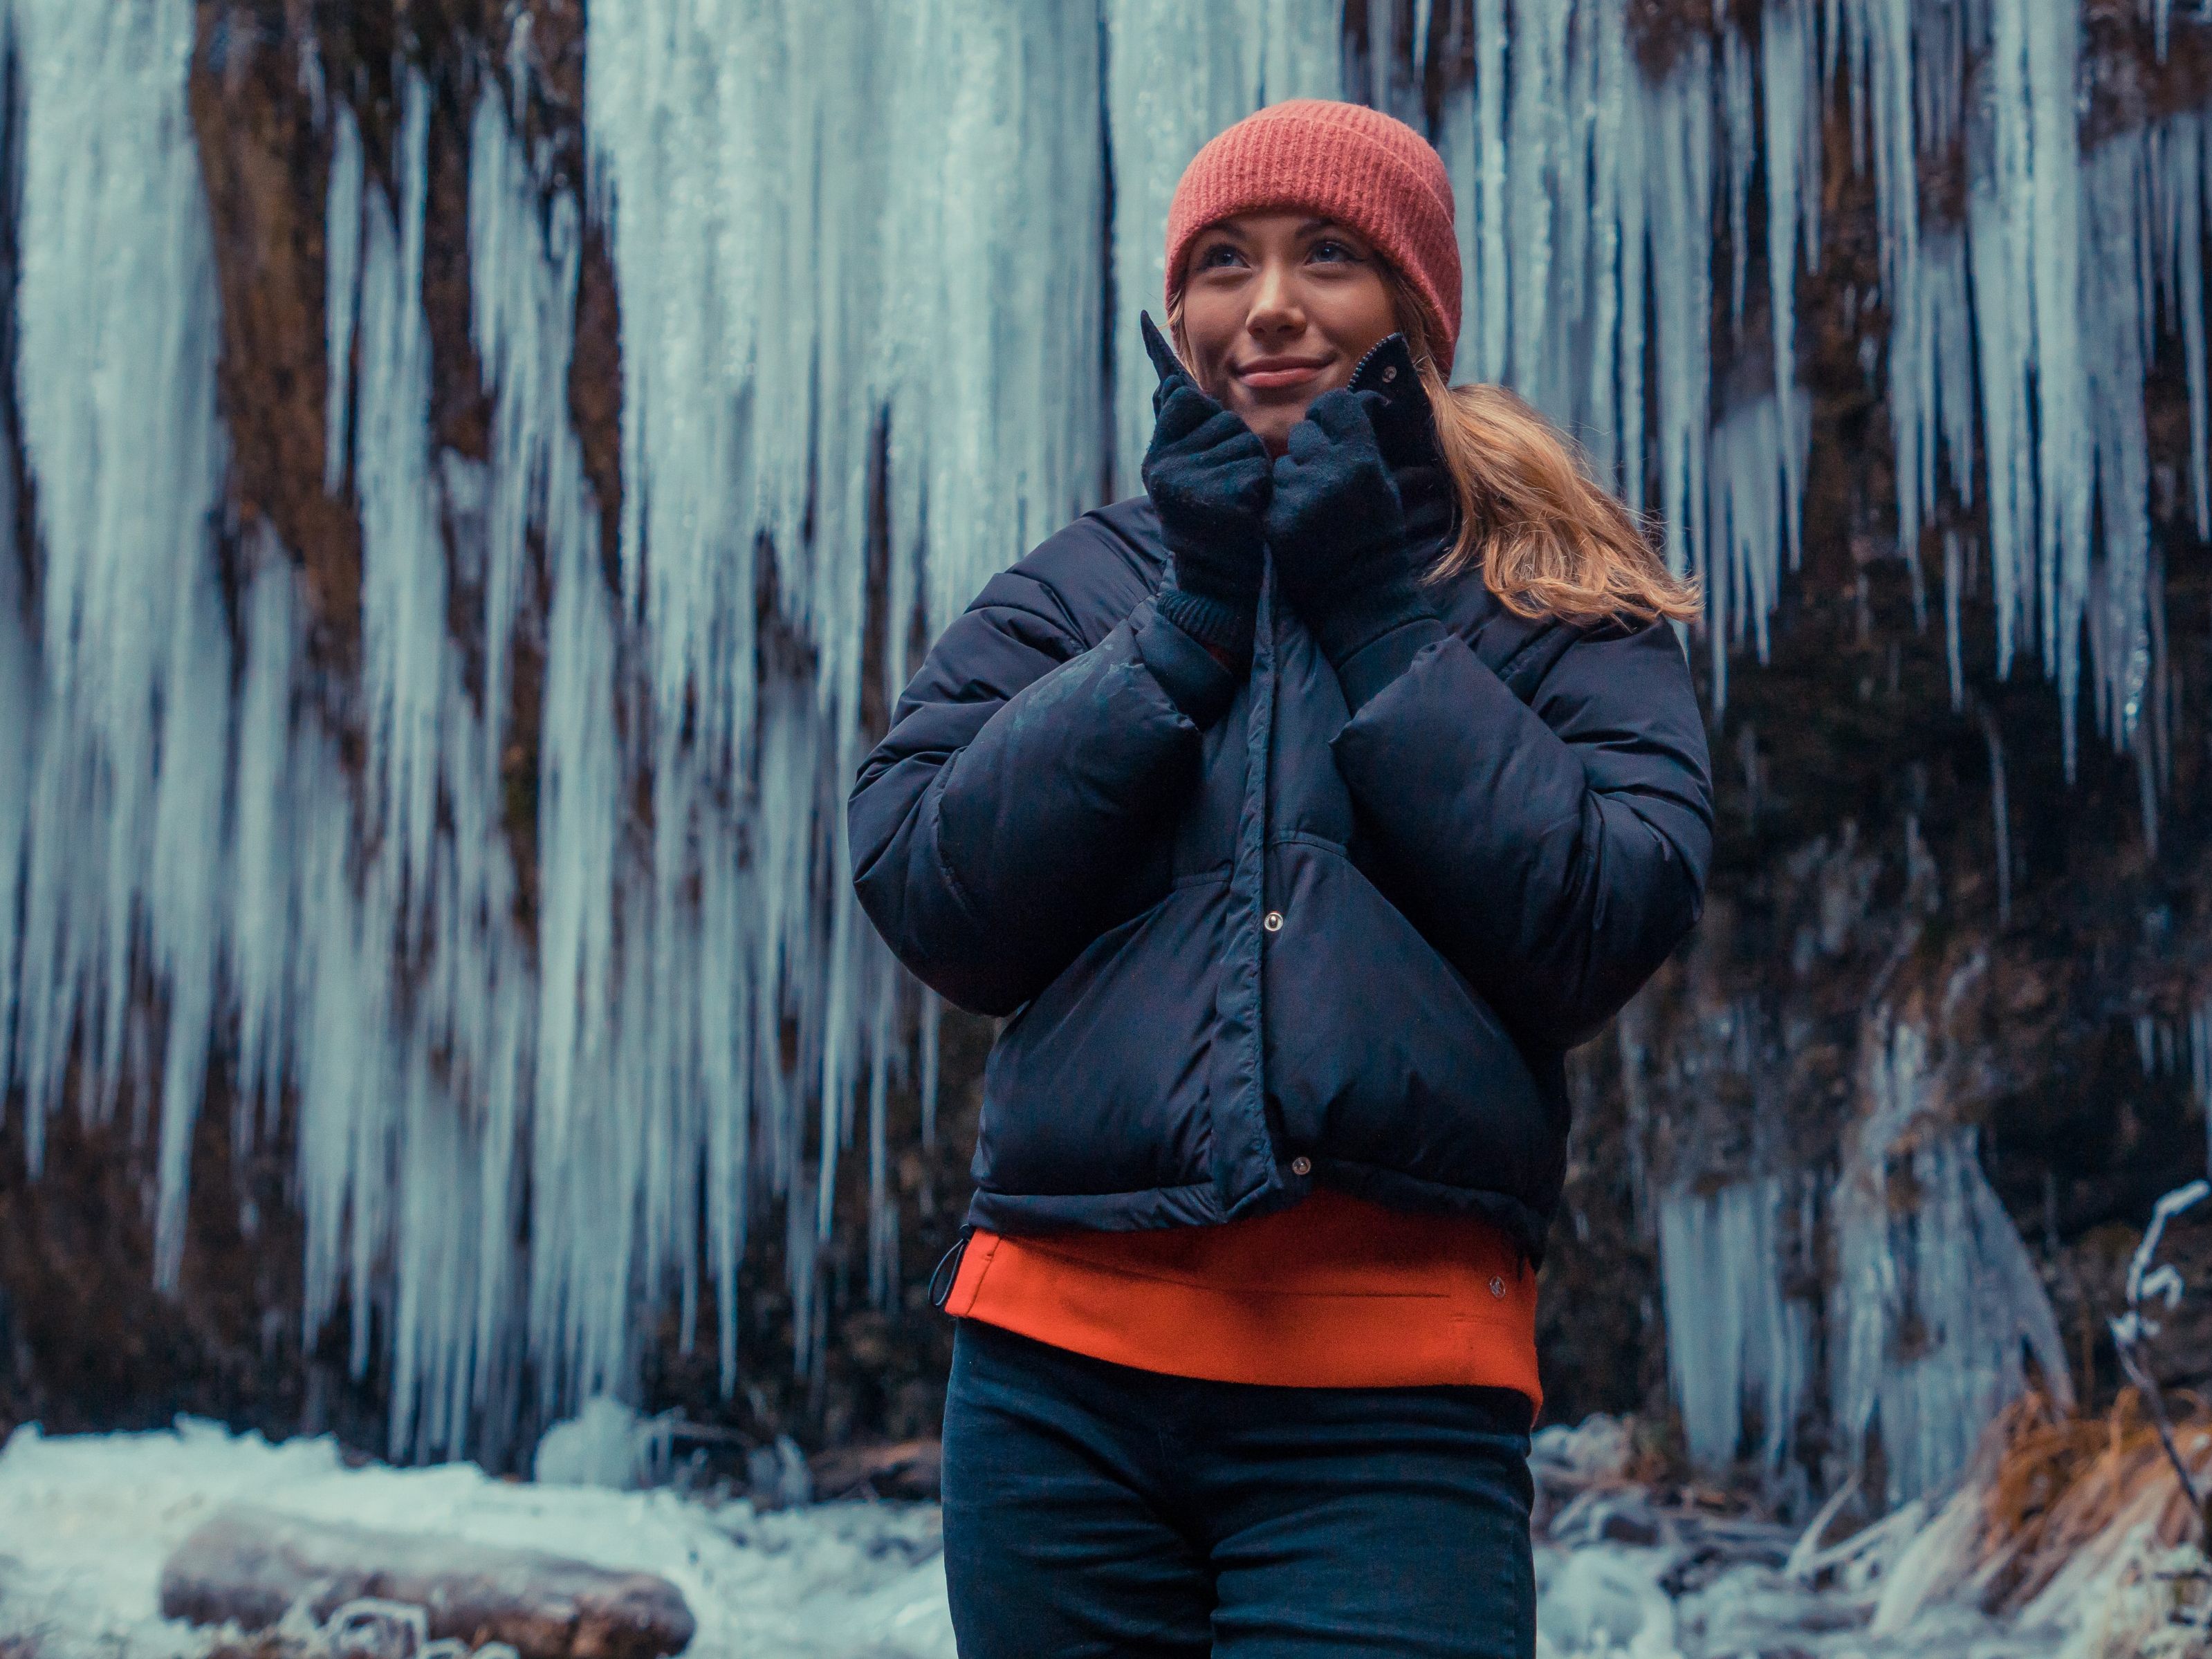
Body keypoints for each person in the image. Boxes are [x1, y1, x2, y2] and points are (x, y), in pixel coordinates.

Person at [849, 98, 1712, 1659]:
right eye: (1223, 264)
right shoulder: (1085, 586)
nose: (1268, 307)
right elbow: (927, 889)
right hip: (1053, 1396)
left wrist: (1378, 619)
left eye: (1328, 256)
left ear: (1414, 309)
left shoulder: (1551, 596)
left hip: (1390, 1409)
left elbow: (1599, 923)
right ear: (1178, 316)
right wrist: (1181, 631)